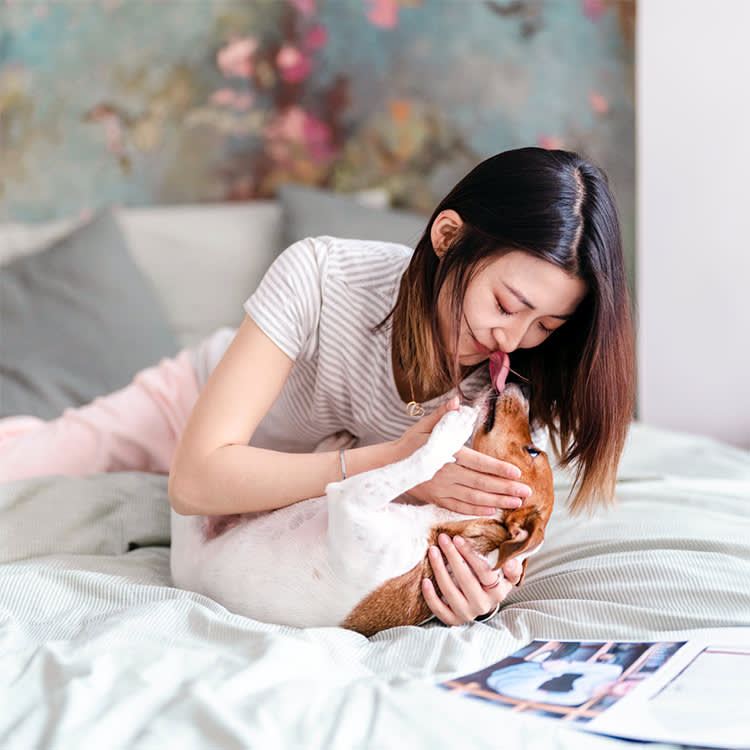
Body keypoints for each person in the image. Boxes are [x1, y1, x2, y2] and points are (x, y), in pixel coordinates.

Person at [0, 147, 635, 625]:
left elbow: (494, 535)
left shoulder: (510, 388)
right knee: (20, 467)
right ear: (448, 238)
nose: (511, 339)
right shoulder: (321, 273)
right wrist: (397, 462)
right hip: (189, 426)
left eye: (545, 324)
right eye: (505, 302)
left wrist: (486, 585)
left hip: (288, 514)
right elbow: (195, 482)